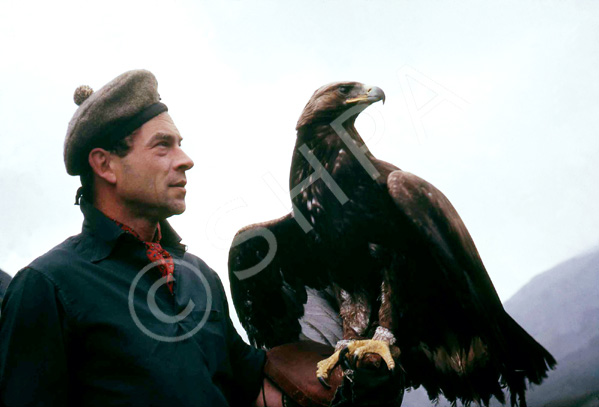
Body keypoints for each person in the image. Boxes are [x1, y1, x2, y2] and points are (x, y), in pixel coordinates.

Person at [0, 70, 400, 407]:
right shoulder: (48, 287)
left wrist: (348, 385)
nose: (185, 159)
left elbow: (250, 391)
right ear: (105, 165)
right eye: (163, 146)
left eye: (181, 145)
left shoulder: (199, 279)